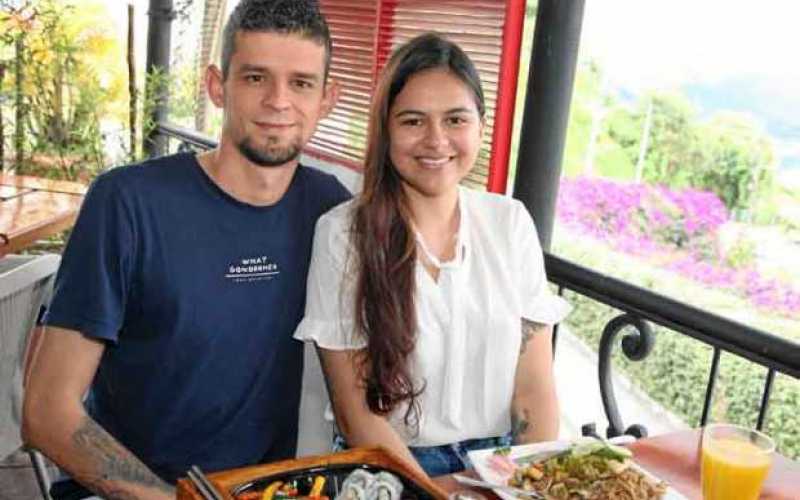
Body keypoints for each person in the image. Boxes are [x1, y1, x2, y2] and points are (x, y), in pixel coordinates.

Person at [21, 1, 350, 498]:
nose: (278, 102)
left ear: (327, 98)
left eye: (301, 83)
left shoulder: (331, 212)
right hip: (134, 491)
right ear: (217, 86)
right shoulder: (127, 202)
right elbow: (47, 411)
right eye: (256, 78)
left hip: (263, 489)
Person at [294, 33, 572, 477]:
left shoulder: (510, 223)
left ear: (481, 123)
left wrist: (526, 483)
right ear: (386, 130)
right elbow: (356, 414)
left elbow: (534, 392)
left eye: (456, 119)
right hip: (387, 470)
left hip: (498, 469)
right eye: (412, 121)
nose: (436, 140)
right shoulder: (343, 234)